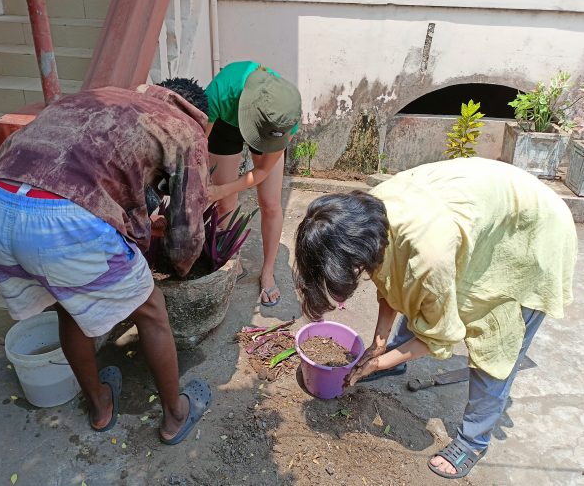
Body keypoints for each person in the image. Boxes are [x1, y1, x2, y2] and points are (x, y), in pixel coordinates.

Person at [293, 157, 577, 479]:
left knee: (497, 345)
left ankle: (473, 440)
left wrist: (376, 364)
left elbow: (440, 336)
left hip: (534, 235)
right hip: (486, 210)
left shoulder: (429, 256)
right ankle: (397, 359)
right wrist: (379, 344)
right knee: (422, 295)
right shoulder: (366, 215)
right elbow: (390, 278)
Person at [0, 79, 212, 444]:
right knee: (151, 311)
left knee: (67, 305)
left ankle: (100, 406)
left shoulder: (100, 98)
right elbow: (187, 226)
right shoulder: (185, 129)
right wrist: (177, 267)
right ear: (194, 111)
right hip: (62, 218)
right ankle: (176, 416)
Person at [205, 61, 302, 306]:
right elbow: (196, 147)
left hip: (268, 127)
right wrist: (213, 190)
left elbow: (260, 173)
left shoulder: (285, 113)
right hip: (226, 124)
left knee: (270, 203)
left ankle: (267, 272)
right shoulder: (220, 93)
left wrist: (218, 190)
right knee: (225, 205)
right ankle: (229, 260)